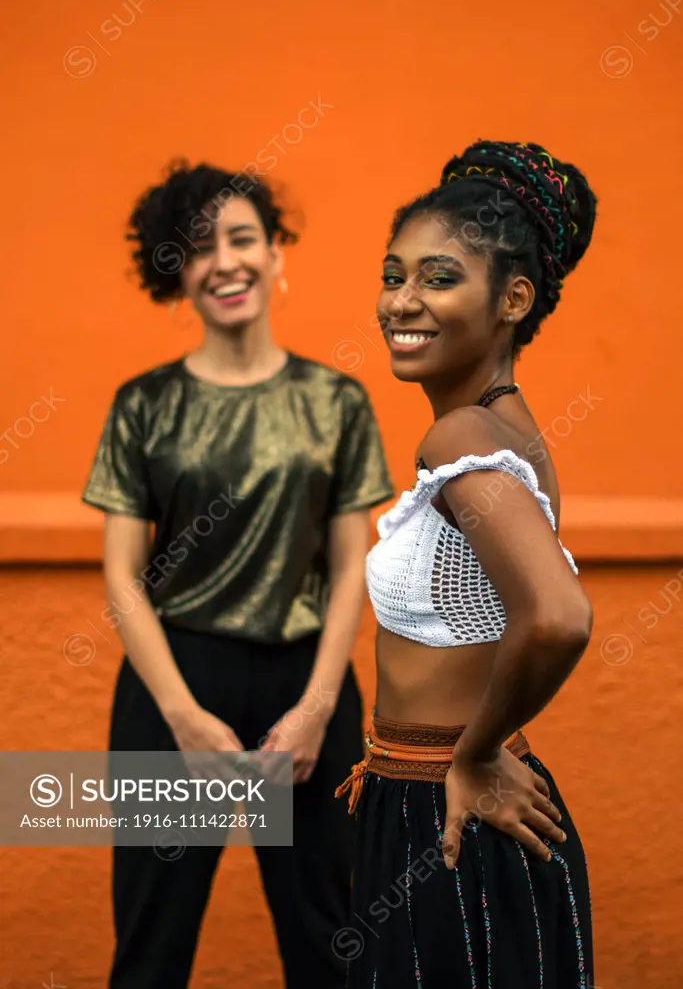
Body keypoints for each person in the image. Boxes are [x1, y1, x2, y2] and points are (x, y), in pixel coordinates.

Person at [81, 160, 394, 989]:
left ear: (275, 256)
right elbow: (121, 579)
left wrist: (318, 711)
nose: (225, 260)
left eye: (244, 238)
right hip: (173, 681)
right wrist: (181, 718)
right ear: (176, 274)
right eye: (199, 247)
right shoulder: (142, 404)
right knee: (150, 945)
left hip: (306, 684)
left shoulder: (336, 403)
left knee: (331, 941)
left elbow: (349, 563)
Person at [337, 140, 596, 987]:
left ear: (512, 299)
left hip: (445, 813)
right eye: (393, 273)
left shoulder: (460, 439)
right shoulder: (507, 427)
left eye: (438, 278)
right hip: (437, 799)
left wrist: (474, 758)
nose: (399, 302)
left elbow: (557, 616)